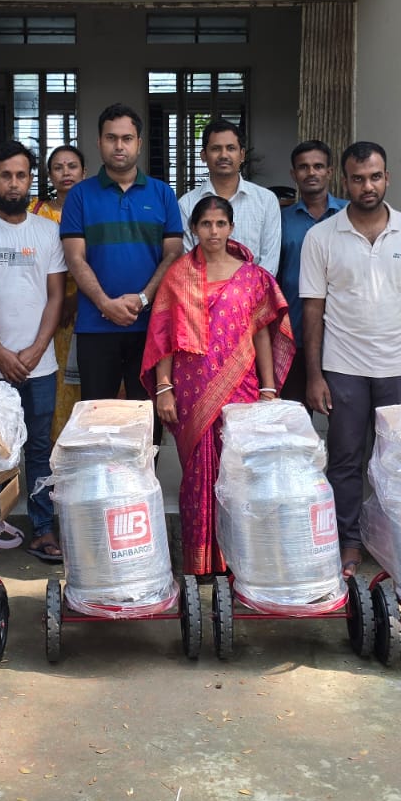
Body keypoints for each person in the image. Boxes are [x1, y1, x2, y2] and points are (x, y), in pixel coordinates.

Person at [298, 141, 401, 577]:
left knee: (399, 462)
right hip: (344, 368)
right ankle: (349, 542)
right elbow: (312, 310)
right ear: (345, 182)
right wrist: (314, 375)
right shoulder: (321, 237)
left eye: (375, 177)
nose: (367, 186)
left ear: (387, 178)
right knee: (345, 459)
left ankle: (395, 543)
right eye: (358, 179)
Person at [142, 195, 292, 577]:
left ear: (231, 228)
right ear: (194, 229)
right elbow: (163, 336)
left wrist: (269, 388)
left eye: (220, 224)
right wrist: (163, 387)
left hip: (242, 388)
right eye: (206, 224)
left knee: (239, 474)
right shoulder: (178, 276)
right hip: (191, 390)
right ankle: (201, 563)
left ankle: (239, 561)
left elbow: (261, 334)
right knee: (197, 475)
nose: (213, 231)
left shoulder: (252, 276)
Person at [0, 141, 66, 563]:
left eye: (21, 175)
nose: (14, 183)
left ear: (30, 180)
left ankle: (42, 529)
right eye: (6, 175)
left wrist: (37, 348)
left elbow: (56, 296)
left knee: (39, 450)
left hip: (40, 364)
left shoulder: (48, 232)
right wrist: (0, 353)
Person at [60, 104, 183, 406]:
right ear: (99, 142)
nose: (119, 146)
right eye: (111, 138)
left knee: (147, 414)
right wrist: (105, 303)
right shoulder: (80, 196)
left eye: (127, 138)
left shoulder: (162, 194)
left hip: (151, 327)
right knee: (96, 415)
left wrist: (143, 299)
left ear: (139, 143)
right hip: (95, 326)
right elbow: (75, 258)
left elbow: (173, 254)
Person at [276, 139, 346, 402]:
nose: (311, 172)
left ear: (329, 171)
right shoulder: (281, 220)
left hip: (343, 336)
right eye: (303, 167)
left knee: (345, 417)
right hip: (294, 333)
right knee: (293, 416)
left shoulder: (350, 215)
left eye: (318, 166)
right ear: (294, 174)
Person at [177, 119, 281, 275]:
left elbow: (270, 262)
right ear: (204, 155)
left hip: (256, 289)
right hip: (202, 289)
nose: (223, 155)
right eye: (216, 149)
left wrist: (244, 288)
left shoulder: (266, 201)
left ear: (242, 155)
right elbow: (188, 262)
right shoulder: (187, 204)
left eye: (231, 148)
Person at [31, 144, 85, 439]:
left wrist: (74, 300)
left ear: (83, 172)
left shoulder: (93, 209)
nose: (66, 173)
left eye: (72, 166)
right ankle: (52, 448)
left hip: (85, 307)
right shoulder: (35, 211)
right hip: (44, 311)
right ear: (49, 175)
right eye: (58, 167)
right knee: (51, 382)